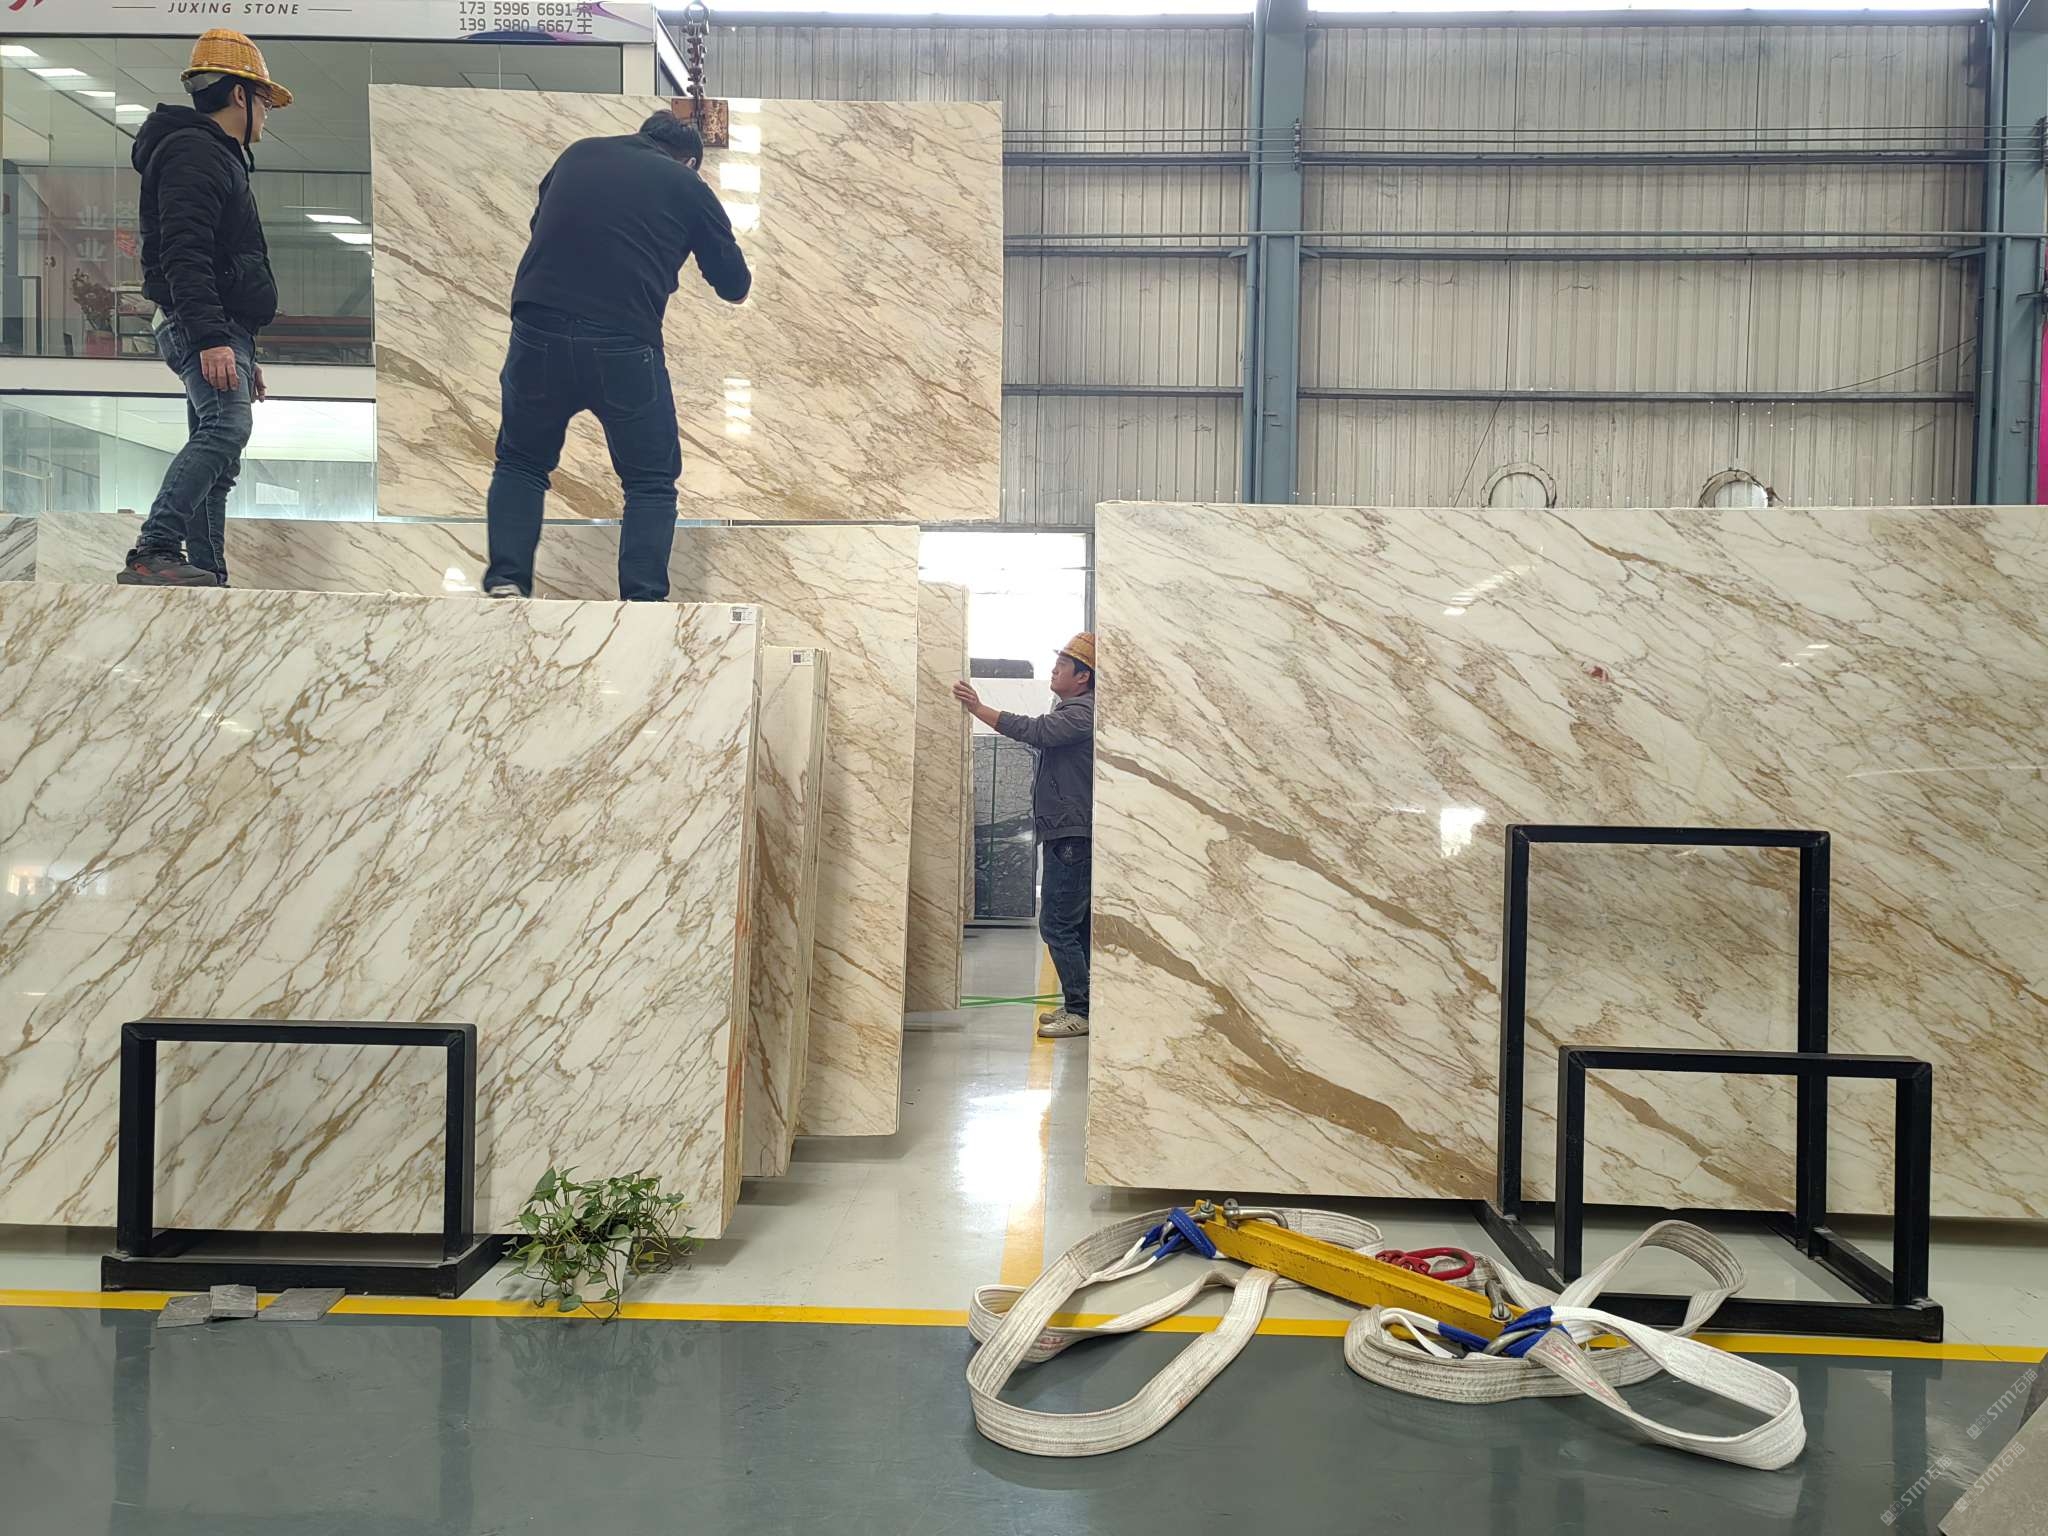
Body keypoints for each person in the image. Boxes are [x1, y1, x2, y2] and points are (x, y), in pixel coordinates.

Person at [483, 112, 752, 603]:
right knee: (650, 481)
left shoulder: (579, 153)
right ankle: (642, 601)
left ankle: (507, 581)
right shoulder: (687, 185)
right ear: (690, 161)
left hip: (538, 328)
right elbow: (735, 284)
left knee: (521, 461)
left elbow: (541, 224)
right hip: (623, 338)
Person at [117, 30, 288, 589]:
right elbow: (184, 253)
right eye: (264, 100)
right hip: (201, 324)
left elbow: (214, 256)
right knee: (227, 426)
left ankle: (207, 572)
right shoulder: (196, 152)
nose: (267, 114)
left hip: (220, 326)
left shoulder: (214, 154)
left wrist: (240, 347)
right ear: (239, 95)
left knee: (220, 455)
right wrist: (213, 338)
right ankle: (156, 547)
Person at [955, 634, 1097, 1039]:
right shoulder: (1076, 709)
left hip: (1071, 836)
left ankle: (1081, 1010)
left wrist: (978, 707)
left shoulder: (1081, 713)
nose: (1053, 671)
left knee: (1056, 924)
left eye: (1061, 666)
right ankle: (1082, 1003)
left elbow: (1033, 730)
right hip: (1067, 832)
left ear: (1083, 677)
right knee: (1075, 925)